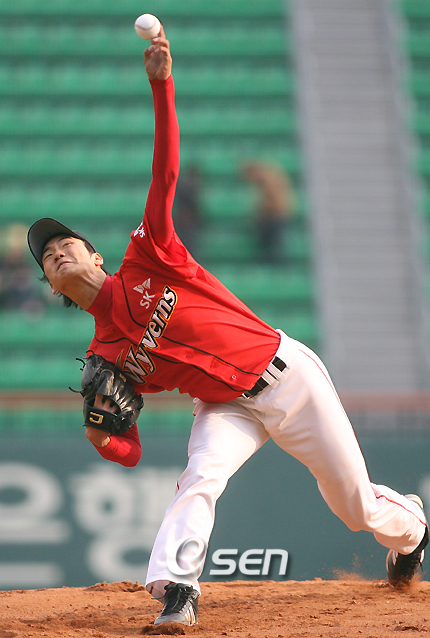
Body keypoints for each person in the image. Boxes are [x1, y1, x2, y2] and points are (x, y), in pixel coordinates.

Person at [27, 26, 428, 628]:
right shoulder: (104, 356)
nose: (57, 251)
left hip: (285, 375)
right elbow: (130, 452)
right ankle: (178, 590)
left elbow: (165, 174)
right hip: (224, 405)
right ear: (52, 288)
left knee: (355, 508)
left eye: (67, 243)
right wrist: (101, 438)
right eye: (47, 256)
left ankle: (413, 527)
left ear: (96, 255)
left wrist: (162, 87)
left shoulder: (148, 256)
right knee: (199, 478)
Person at [241, 160, 295, 263]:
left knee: (274, 246)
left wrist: (261, 214)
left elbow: (275, 203)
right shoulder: (269, 178)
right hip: (276, 215)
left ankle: (275, 264)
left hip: (274, 217)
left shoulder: (268, 181)